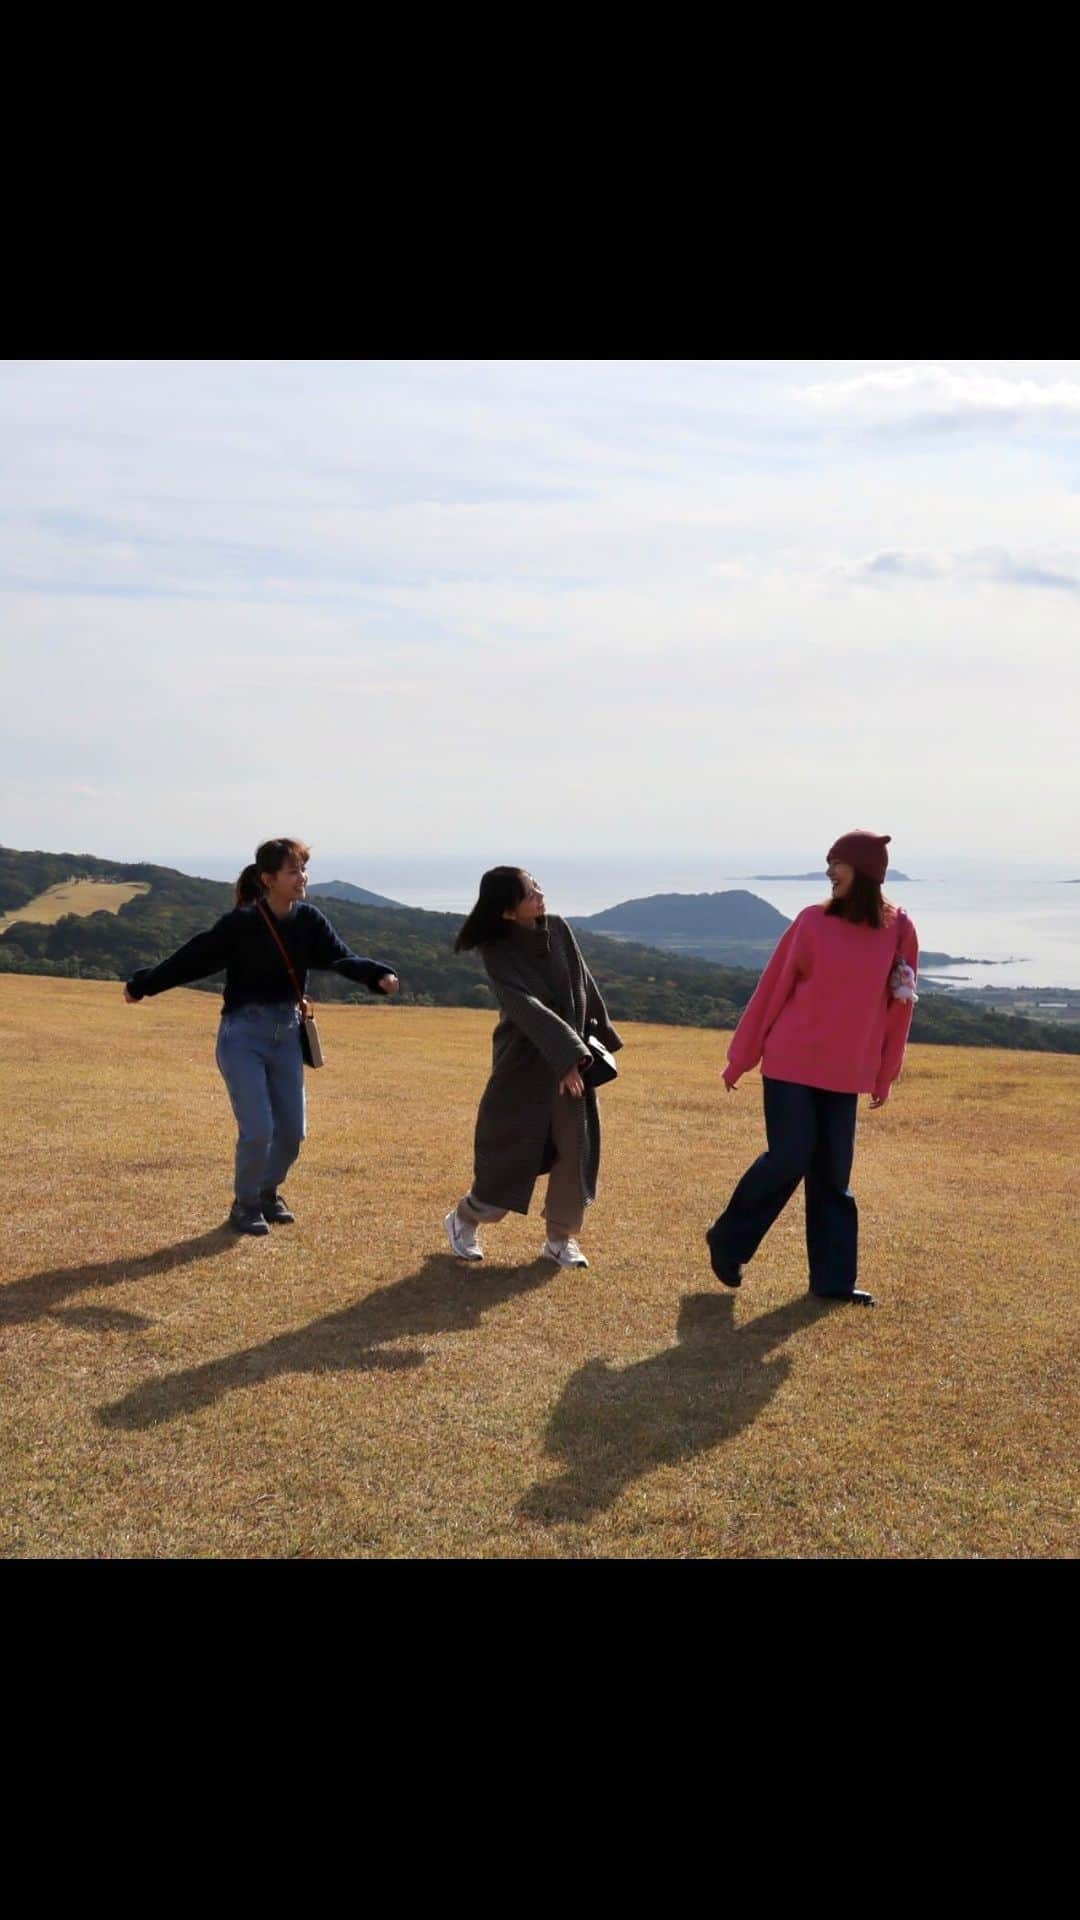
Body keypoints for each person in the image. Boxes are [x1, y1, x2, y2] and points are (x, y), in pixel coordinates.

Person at [124, 837, 399, 1234]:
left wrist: (377, 974)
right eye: (293, 871)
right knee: (258, 1129)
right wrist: (143, 985)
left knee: (291, 1133)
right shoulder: (242, 924)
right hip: (243, 1034)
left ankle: (267, 1192)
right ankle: (246, 1204)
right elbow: (192, 958)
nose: (302, 877)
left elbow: (339, 956)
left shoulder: (309, 920)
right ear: (268, 879)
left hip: (287, 1032)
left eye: (304, 869)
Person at [706, 830, 919, 1306]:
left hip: (844, 1073)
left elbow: (900, 1005)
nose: (828, 873)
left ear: (865, 871)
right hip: (791, 1062)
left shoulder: (900, 930)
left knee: (833, 1176)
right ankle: (728, 1240)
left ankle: (833, 1282)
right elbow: (772, 989)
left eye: (836, 863)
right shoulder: (811, 922)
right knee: (788, 1157)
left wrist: (885, 1072)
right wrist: (741, 1058)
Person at [444, 867, 623, 1270]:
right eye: (529, 893)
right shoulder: (496, 949)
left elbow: (582, 984)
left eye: (537, 886)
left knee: (575, 1150)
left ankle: (560, 1239)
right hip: (523, 1067)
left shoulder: (558, 930)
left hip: (571, 1061)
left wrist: (601, 1038)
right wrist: (568, 1057)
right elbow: (527, 1007)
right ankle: (465, 1218)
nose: (540, 895)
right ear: (507, 911)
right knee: (510, 1157)